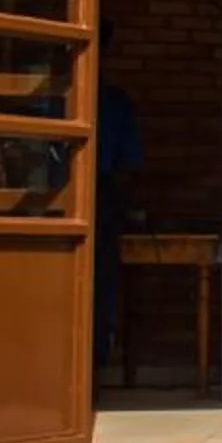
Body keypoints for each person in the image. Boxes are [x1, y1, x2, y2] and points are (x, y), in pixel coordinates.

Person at [95, 19, 144, 367]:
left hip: (66, 203)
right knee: (99, 290)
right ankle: (94, 365)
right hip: (100, 200)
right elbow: (129, 163)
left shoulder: (55, 98)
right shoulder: (113, 103)